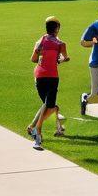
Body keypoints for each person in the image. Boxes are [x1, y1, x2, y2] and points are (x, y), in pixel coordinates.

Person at [27, 17, 70, 149]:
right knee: (49, 106)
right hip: (52, 77)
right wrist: (62, 59)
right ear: (57, 29)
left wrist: (44, 58)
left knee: (47, 105)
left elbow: (33, 59)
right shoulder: (61, 44)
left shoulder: (40, 42)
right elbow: (64, 58)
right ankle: (37, 133)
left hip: (39, 77)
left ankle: (33, 127)